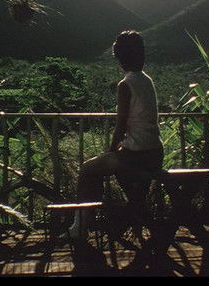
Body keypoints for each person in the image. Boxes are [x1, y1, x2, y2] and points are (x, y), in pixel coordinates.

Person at [62, 30, 164, 239]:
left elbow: (120, 126)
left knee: (87, 170)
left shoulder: (125, 85)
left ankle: (80, 227)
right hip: (155, 152)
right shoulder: (147, 80)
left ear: (120, 57)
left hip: (136, 156)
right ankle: (122, 220)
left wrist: (109, 151)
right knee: (130, 191)